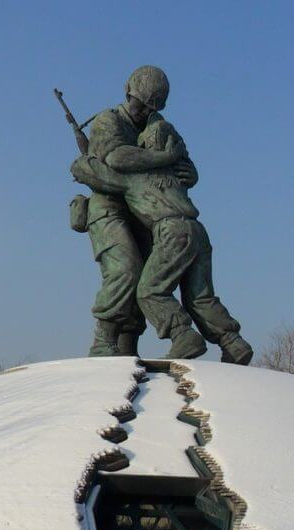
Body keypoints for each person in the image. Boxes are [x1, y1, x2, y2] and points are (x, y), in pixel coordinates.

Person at [71, 116, 254, 364]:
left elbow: (103, 172)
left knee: (149, 292)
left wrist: (83, 164)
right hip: (197, 232)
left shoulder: (137, 178)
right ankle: (232, 342)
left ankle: (182, 335)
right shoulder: (176, 176)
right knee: (200, 296)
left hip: (172, 233)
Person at [77, 66, 195, 357]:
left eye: (148, 106)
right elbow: (117, 157)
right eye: (138, 102)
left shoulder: (159, 125)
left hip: (143, 210)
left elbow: (186, 168)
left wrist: (186, 171)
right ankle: (103, 341)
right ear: (128, 93)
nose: (141, 110)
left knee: (145, 276)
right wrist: (163, 158)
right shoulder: (108, 120)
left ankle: (127, 346)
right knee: (124, 269)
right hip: (108, 206)